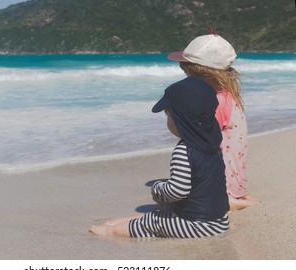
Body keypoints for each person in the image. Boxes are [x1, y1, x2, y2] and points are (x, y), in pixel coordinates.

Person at [90, 77, 230, 238]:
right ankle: (119, 224)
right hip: (219, 221)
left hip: (196, 226)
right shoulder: (213, 145)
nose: (167, 121)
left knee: (153, 223)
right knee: (158, 215)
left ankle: (110, 231)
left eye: (167, 116)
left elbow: (178, 190)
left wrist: (157, 189)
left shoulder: (185, 150)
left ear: (180, 120)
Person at [167, 31, 252, 210]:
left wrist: (171, 117)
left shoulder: (214, 102)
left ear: (201, 74)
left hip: (219, 185)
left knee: (167, 205)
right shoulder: (229, 95)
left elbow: (192, 136)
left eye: (188, 74)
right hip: (235, 179)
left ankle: (228, 200)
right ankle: (235, 195)